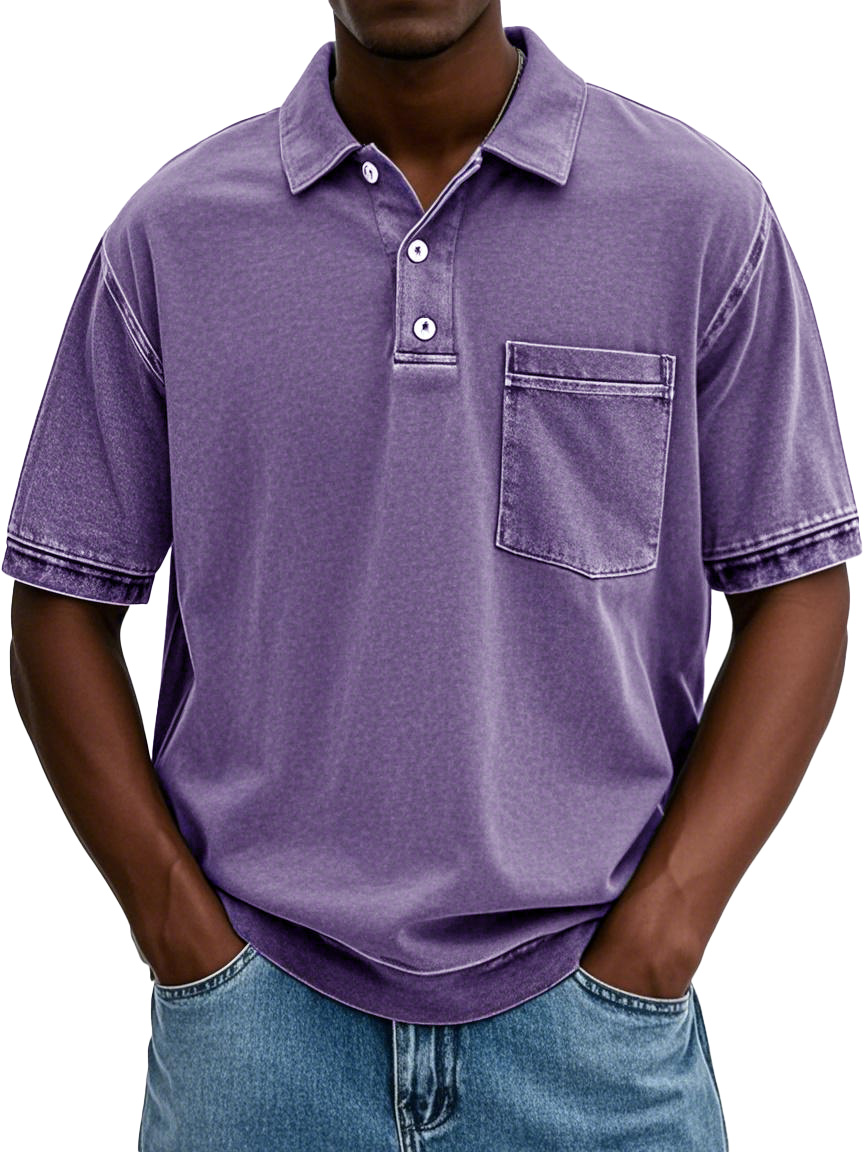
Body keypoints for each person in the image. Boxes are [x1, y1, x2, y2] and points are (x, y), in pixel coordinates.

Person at [4, 2, 860, 1149]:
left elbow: (796, 584)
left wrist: (664, 929)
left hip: (594, 1048)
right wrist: (176, 927)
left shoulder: (700, 218)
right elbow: (61, 602)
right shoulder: (172, 238)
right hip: (258, 1043)